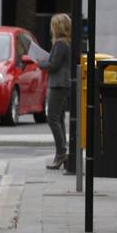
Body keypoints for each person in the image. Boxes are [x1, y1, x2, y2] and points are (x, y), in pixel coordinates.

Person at [45, 13, 71, 170]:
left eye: (53, 25)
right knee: (59, 118)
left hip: (58, 84)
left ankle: (61, 153)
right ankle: (62, 153)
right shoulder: (66, 43)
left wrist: (40, 62)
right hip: (62, 84)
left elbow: (53, 65)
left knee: (52, 118)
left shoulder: (60, 44)